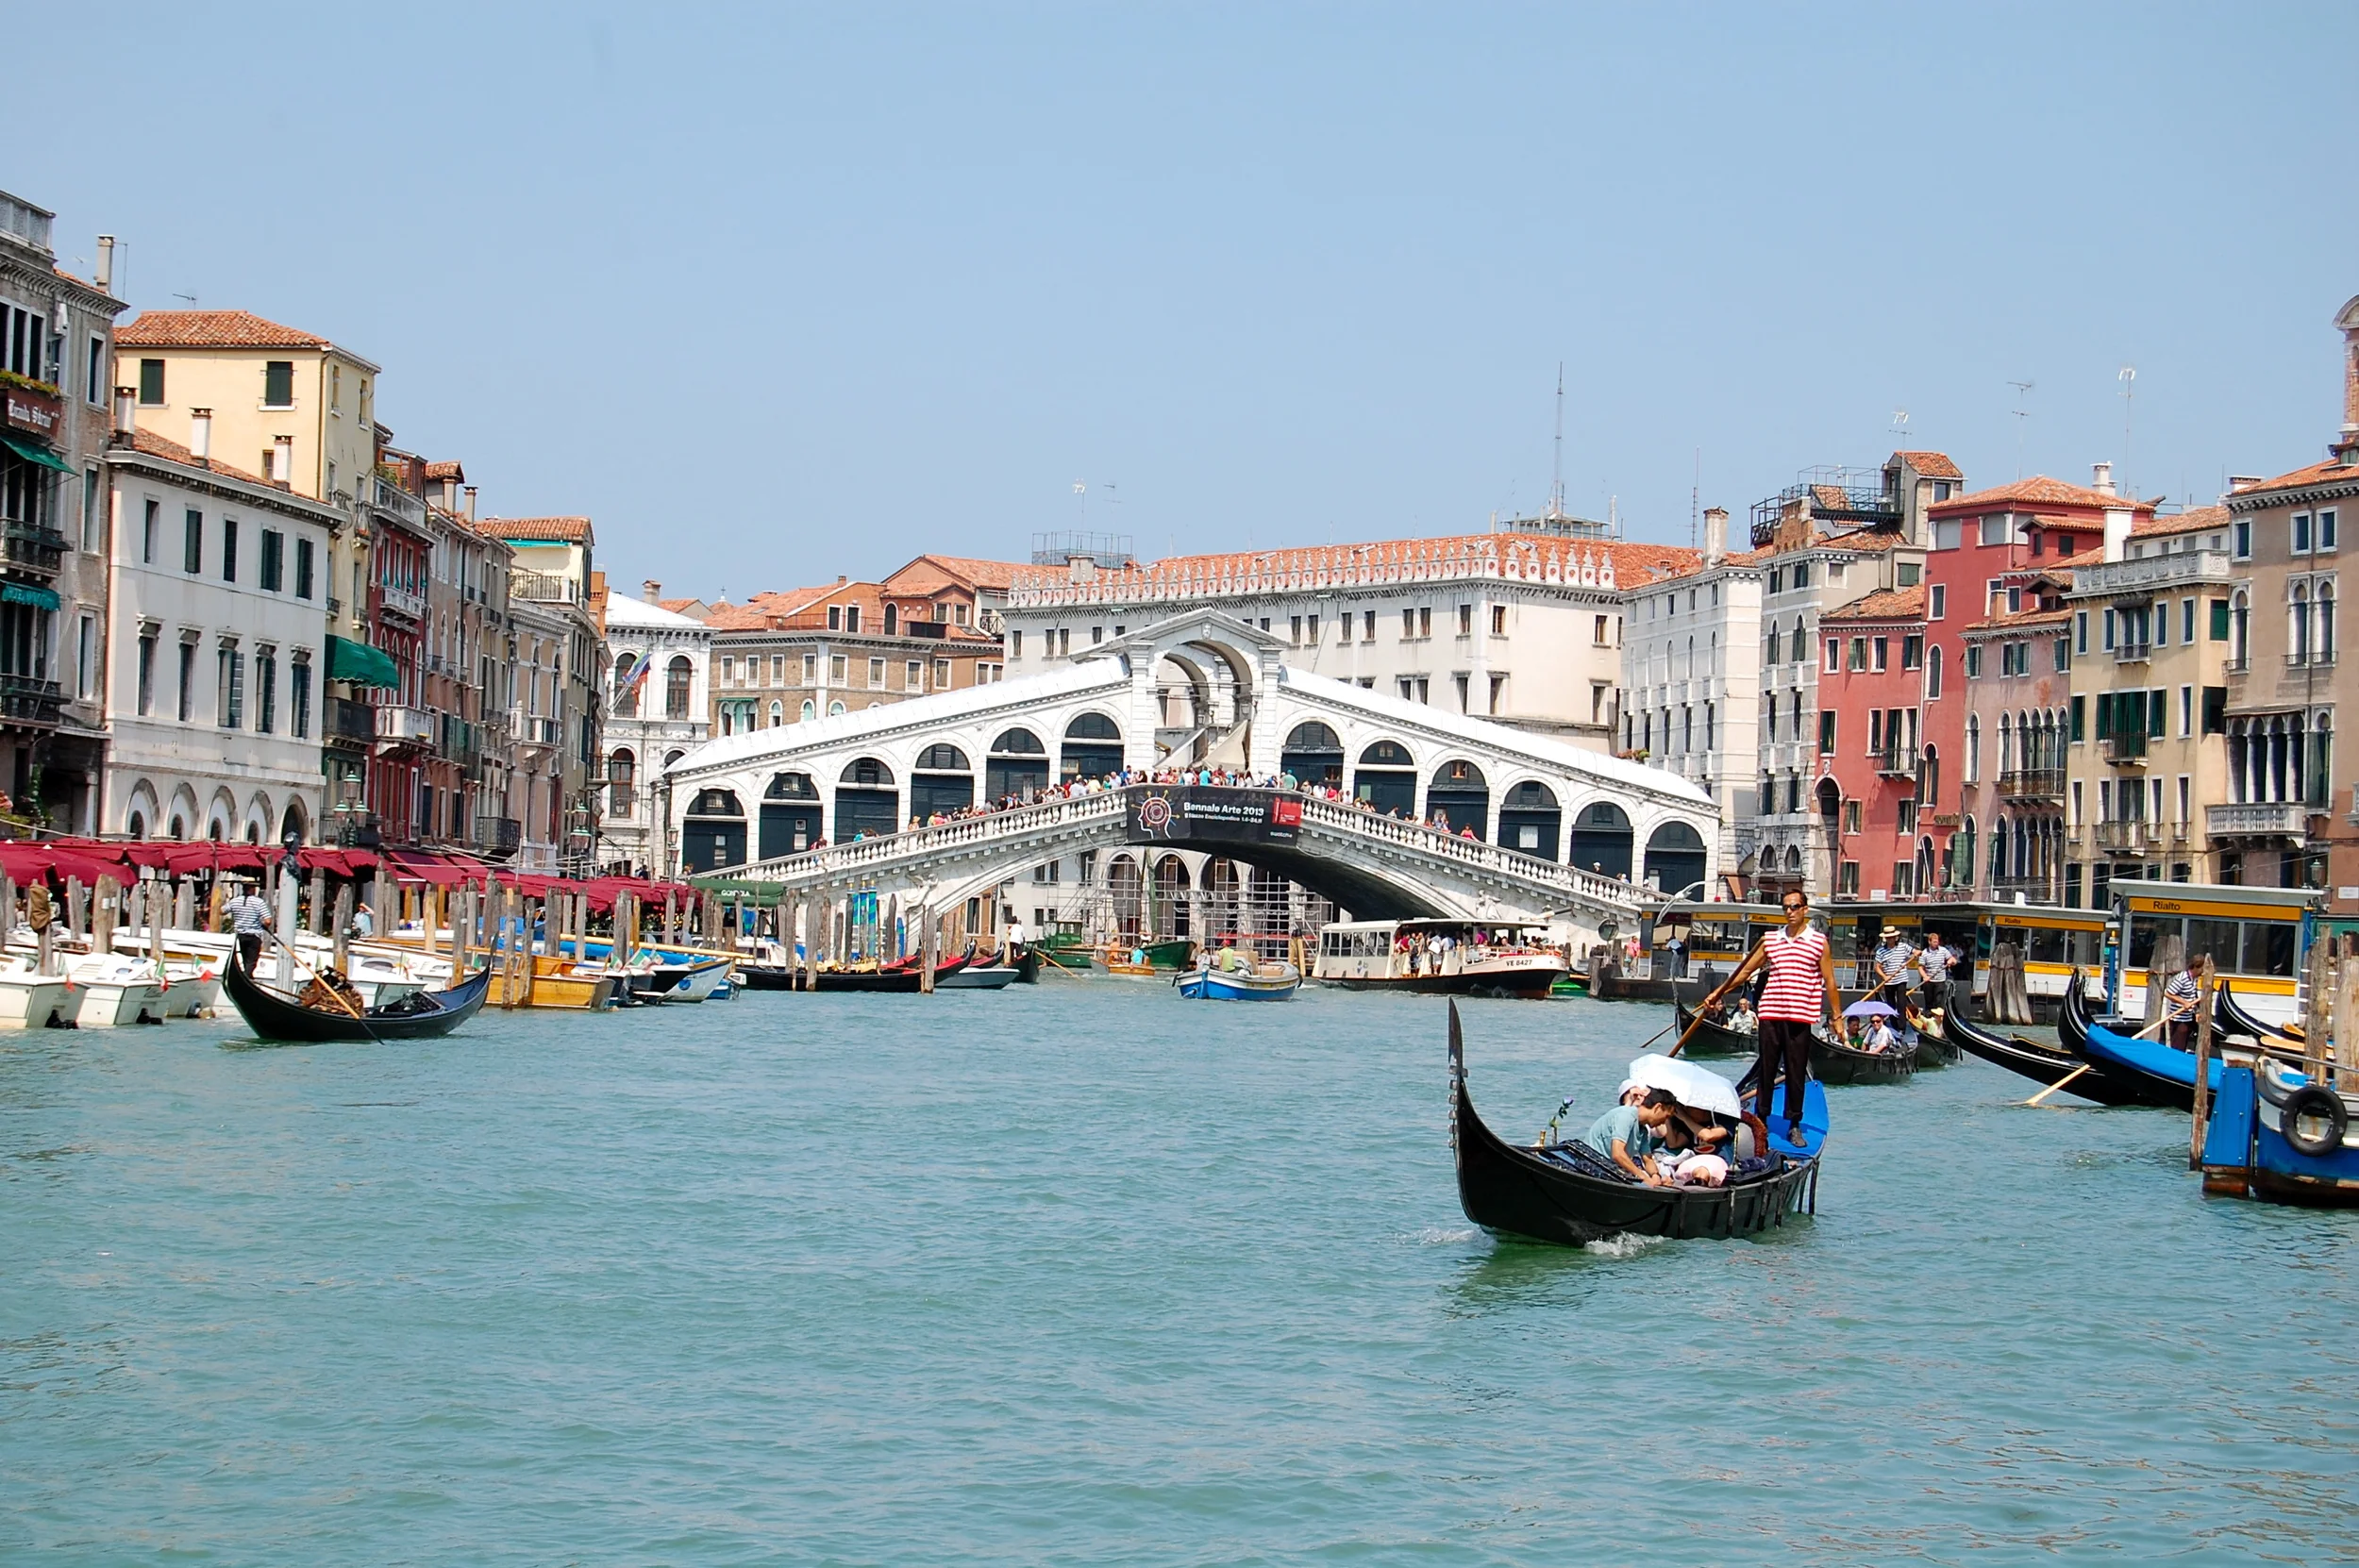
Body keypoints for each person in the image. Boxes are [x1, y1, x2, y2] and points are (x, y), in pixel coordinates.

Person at [1720, 889, 1838, 1137]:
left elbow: (1829, 980)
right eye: (1785, 907)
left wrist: (1837, 1017)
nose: (1789, 912)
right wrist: (1718, 993)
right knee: (1767, 1069)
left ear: (1805, 909)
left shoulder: (1819, 942)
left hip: (1800, 1016)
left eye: (1794, 907)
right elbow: (1744, 973)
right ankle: (1761, 1118)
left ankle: (1794, 1124)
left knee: (1796, 1071)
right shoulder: (1770, 940)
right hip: (1770, 1013)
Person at [1585, 1089, 1680, 1186]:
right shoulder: (1626, 1115)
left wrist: (1656, 1176)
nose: (1664, 1122)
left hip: (1607, 1169)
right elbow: (1617, 1154)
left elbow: (1648, 1159)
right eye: (1666, 1116)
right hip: (1591, 1166)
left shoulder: (1642, 1129)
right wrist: (1645, 1178)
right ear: (1658, 1108)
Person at [223, 877, 275, 974]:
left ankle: (246, 977)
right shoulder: (259, 902)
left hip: (240, 935)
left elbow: (222, 911)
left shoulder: (235, 901)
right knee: (251, 961)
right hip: (254, 936)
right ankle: (248, 978)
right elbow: (268, 921)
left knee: (245, 959)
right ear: (252, 888)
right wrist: (261, 924)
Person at [1870, 927, 1917, 1007]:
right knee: (1891, 1004)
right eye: (1888, 937)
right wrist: (1884, 977)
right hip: (1889, 981)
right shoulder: (1880, 951)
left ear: (1895, 937)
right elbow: (1877, 967)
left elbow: (1915, 951)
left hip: (1901, 979)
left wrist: (1916, 953)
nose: (1890, 939)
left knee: (1901, 1003)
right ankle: (1893, 1019)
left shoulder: (1903, 946)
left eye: (1891, 937)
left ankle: (1902, 1019)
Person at [1916, 928, 1956, 1021]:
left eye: (1937, 941)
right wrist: (1925, 976)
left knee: (1938, 1002)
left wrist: (1951, 960)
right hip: (1928, 981)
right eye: (1934, 941)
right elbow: (1920, 967)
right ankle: (1928, 1019)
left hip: (1940, 980)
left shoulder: (1943, 950)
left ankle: (1938, 1020)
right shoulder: (1924, 953)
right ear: (1929, 942)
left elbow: (1953, 960)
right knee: (1929, 1002)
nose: (1936, 943)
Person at [2164, 958, 2202, 1052]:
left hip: (2189, 1017)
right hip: (2179, 1019)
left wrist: (2197, 1012)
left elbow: (2193, 996)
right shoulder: (2183, 978)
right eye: (2202, 969)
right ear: (2196, 967)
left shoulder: (2194, 979)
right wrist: (2184, 1003)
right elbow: (2168, 993)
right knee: (2178, 1048)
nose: (2203, 972)